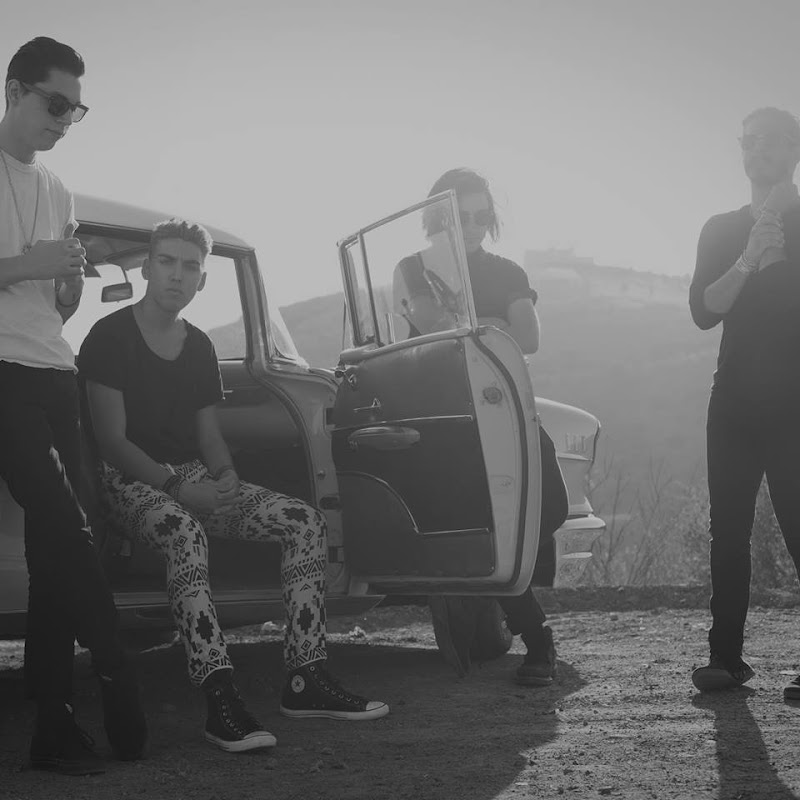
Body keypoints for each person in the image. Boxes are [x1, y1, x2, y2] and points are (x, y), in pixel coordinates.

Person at [78, 218, 389, 754]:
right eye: (167, 262)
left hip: (192, 476)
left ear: (202, 280)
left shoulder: (199, 346)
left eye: (190, 267)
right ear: (148, 268)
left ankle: (306, 678)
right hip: (127, 482)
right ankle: (220, 698)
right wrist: (180, 490)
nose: (177, 275)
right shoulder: (108, 336)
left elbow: (208, 435)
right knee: (185, 534)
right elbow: (111, 441)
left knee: (304, 522)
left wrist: (225, 477)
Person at [0, 37, 147, 775]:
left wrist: (67, 283)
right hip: (1, 370)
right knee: (69, 525)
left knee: (52, 552)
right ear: (14, 90)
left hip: (55, 368)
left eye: (76, 110)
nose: (64, 120)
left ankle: (53, 724)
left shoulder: (58, 187)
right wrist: (25, 264)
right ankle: (117, 666)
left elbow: (56, 305)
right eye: (56, 103)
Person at [396, 168, 569, 685]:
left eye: (480, 215)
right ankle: (537, 638)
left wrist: (477, 324)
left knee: (550, 505)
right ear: (437, 216)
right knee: (487, 522)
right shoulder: (414, 267)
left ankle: (483, 600)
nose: (471, 225)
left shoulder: (508, 270)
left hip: (507, 408)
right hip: (448, 416)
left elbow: (529, 338)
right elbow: (434, 326)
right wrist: (495, 323)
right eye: (459, 215)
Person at [689, 107, 800, 696]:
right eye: (749, 141)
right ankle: (724, 659)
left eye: (772, 141)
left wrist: (777, 250)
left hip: (794, 408)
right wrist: (751, 254)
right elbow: (704, 310)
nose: (758, 150)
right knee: (727, 536)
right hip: (731, 404)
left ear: (794, 150)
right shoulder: (720, 227)